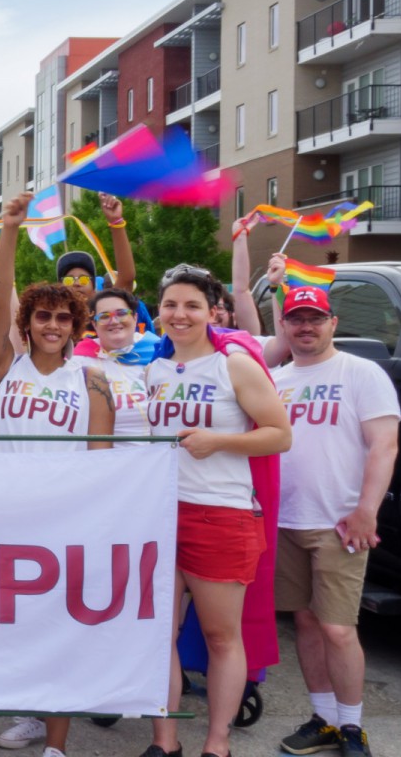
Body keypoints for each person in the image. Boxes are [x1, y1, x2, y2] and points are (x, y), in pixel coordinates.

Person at [140, 265, 291, 757]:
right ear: (159, 311)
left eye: (191, 306)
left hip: (220, 514)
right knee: (159, 634)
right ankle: (165, 742)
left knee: (220, 636)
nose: (179, 315)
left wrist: (218, 442)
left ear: (211, 312)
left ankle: (217, 743)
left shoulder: (234, 364)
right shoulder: (153, 371)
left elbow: (279, 434)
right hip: (162, 514)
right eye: (170, 305)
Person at [0, 194, 114, 757]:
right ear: (28, 324)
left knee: (59, 630)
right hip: (5, 514)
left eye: (63, 317)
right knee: (15, 624)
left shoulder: (92, 381)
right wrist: (8, 230)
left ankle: (57, 745)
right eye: (42, 315)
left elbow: (102, 461)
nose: (53, 324)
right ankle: (28, 711)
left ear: (76, 324)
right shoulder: (0, 367)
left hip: (63, 521)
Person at [269, 285, 398, 757]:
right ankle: (322, 718)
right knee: (305, 622)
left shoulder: (361, 373)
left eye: (315, 318)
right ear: (284, 326)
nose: (306, 327)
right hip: (284, 520)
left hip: (340, 522)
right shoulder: (276, 379)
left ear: (333, 323)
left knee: (339, 628)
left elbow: (385, 445)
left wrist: (367, 509)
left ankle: (352, 726)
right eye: (297, 319)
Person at [74, 287, 156, 444]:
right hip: (107, 460)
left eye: (122, 313)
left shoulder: (160, 355)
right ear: (94, 324)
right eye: (104, 316)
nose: (114, 321)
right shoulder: (79, 362)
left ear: (135, 317)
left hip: (157, 460)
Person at [55, 193, 136, 309]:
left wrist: (116, 221)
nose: (76, 283)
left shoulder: (102, 315)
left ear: (94, 289)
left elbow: (126, 278)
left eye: (83, 279)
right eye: (68, 280)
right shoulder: (51, 321)